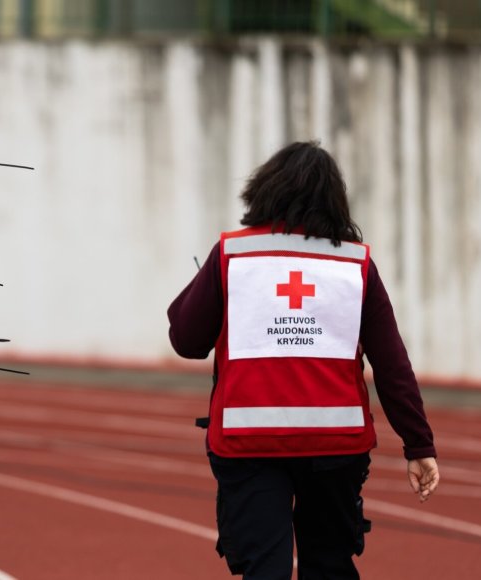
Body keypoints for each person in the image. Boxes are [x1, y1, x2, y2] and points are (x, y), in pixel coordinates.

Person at [167, 141, 439, 580]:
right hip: (336, 446)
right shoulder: (356, 264)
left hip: (248, 443)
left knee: (264, 569)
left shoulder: (234, 256)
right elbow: (392, 365)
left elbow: (186, 340)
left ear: (264, 191)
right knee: (330, 566)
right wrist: (418, 444)